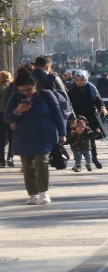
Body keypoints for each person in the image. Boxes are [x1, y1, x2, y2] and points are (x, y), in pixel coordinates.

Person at [4, 67, 66, 205]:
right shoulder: (15, 98)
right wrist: (17, 111)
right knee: (27, 166)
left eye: (28, 90)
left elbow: (58, 115)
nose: (26, 93)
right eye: (22, 91)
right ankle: (33, 194)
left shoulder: (46, 95)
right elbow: (7, 118)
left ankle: (43, 192)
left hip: (45, 135)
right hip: (24, 137)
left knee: (40, 161)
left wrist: (62, 133)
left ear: (35, 85)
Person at [67, 71, 108, 168]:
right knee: (75, 140)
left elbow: (98, 100)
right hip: (77, 118)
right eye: (77, 80)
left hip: (90, 117)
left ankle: (94, 158)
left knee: (91, 138)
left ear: (86, 79)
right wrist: (70, 118)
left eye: (82, 80)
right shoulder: (72, 91)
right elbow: (68, 105)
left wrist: (102, 107)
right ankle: (77, 162)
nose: (80, 82)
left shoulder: (91, 89)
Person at [0, 71, 14, 167]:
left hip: (0, 114)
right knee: (11, 138)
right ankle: (10, 157)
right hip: (11, 114)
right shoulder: (13, 87)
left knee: (1, 138)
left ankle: (1, 160)